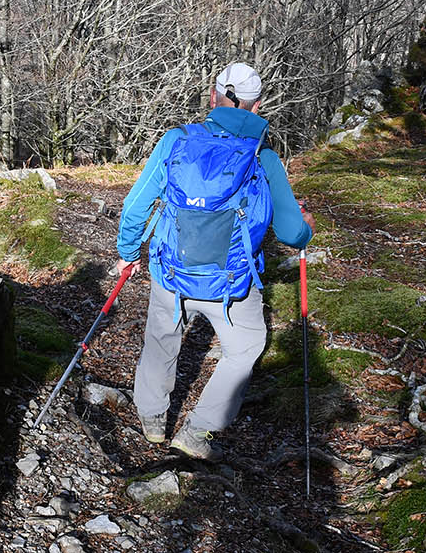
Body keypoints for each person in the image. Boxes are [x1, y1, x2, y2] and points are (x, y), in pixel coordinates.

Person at [115, 62, 316, 460]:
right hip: (231, 282)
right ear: (257, 105)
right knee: (246, 346)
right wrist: (306, 229)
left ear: (213, 96)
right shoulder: (263, 157)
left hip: (172, 273)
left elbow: (136, 204)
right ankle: (198, 432)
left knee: (161, 338)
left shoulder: (176, 140)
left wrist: (128, 253)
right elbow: (292, 233)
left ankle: (152, 420)